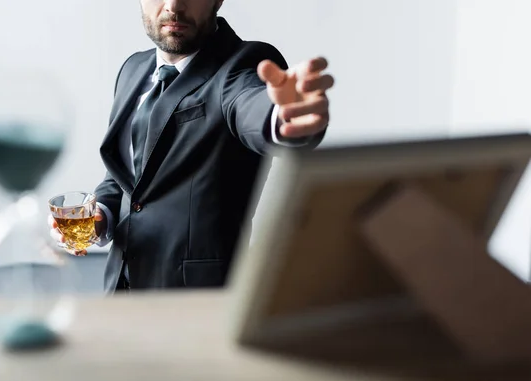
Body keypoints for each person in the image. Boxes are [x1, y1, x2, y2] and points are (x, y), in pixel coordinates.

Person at [49, 0, 334, 292]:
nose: (174, 5)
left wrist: (284, 116)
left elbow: (252, 105)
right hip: (119, 290)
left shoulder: (241, 63)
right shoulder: (132, 70)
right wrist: (101, 216)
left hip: (196, 296)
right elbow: (126, 176)